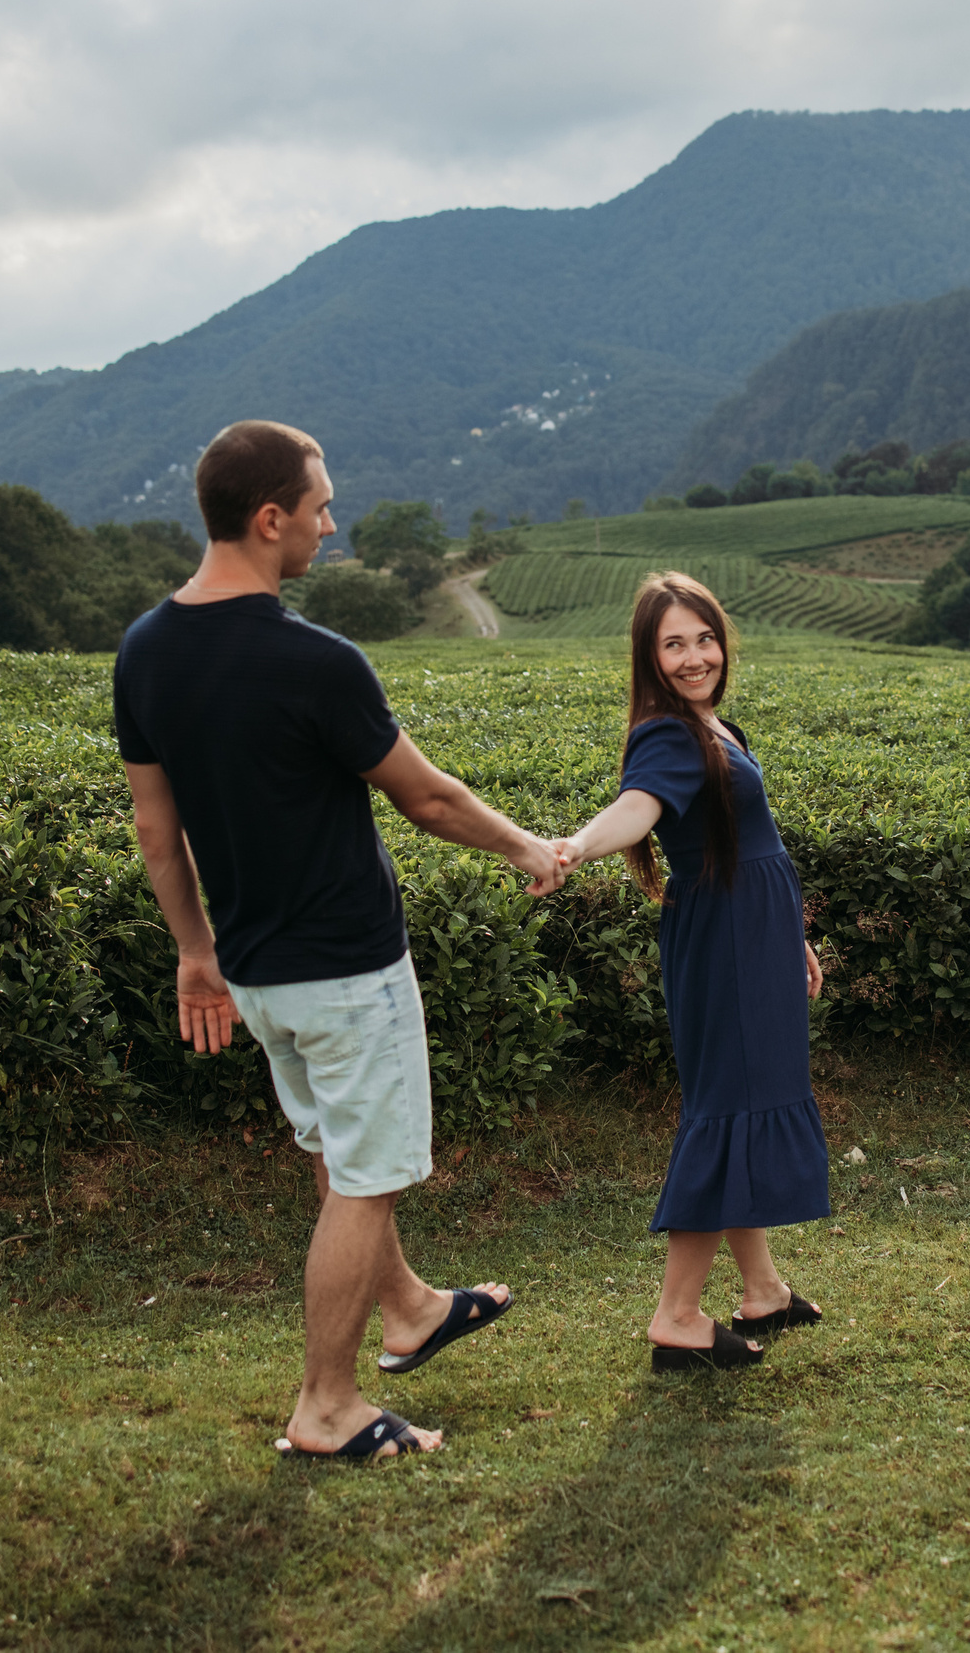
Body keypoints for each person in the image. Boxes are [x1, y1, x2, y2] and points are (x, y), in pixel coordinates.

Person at [113, 419, 563, 1460]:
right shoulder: (314, 659)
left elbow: (154, 825)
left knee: (338, 1152)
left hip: (258, 972)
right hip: (348, 970)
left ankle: (407, 1309)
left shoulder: (145, 648)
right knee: (367, 1179)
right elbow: (430, 802)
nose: (330, 523)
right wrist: (531, 851)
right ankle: (326, 1405)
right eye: (320, 506)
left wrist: (196, 953)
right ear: (269, 520)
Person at [556, 572, 829, 1369]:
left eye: (703, 638)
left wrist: (791, 937)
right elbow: (637, 808)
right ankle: (677, 1314)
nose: (694, 655)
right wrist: (576, 845)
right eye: (673, 644)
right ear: (650, 656)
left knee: (742, 1099)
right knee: (728, 1105)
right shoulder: (668, 735)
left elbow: (751, 842)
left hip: (753, 932)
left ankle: (764, 1290)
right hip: (726, 942)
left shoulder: (718, 726)